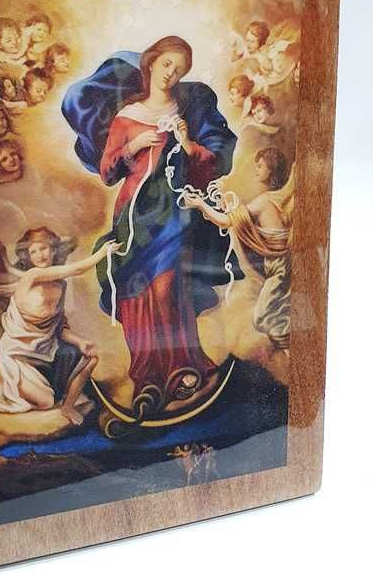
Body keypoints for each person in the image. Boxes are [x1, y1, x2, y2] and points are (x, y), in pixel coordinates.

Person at [63, 36, 243, 411]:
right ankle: (146, 376)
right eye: (166, 64)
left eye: (179, 69)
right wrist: (133, 145)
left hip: (172, 212)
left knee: (166, 288)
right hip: (134, 214)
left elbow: (207, 167)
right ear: (151, 63)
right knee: (134, 292)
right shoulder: (128, 116)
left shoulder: (185, 113)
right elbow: (108, 173)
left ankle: (184, 365)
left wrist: (186, 141)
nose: (170, 74)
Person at [0, 228, 122, 424]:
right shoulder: (32, 276)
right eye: (33, 251)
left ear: (54, 250)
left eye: (43, 248)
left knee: (90, 355)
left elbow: (58, 327)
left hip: (46, 349)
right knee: (46, 402)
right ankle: (17, 390)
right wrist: (101, 253)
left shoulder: (60, 285)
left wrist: (80, 342)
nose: (39, 255)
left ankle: (68, 407)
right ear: (28, 256)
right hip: (19, 354)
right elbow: (77, 269)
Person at [185, 148, 294, 352]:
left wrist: (200, 205)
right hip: (278, 266)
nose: (256, 170)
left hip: (280, 268)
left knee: (264, 316)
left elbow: (226, 221)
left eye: (260, 166)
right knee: (276, 314)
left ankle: (291, 352)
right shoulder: (274, 198)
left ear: (271, 170)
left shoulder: (264, 202)